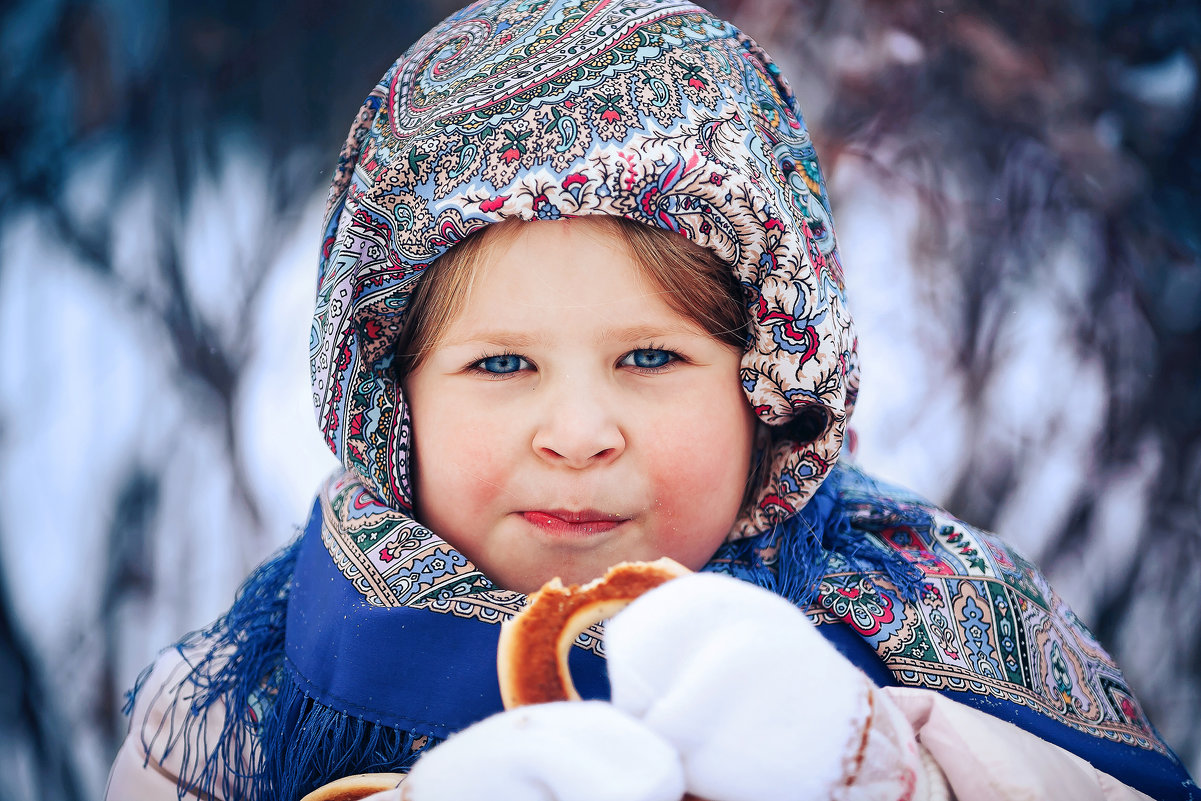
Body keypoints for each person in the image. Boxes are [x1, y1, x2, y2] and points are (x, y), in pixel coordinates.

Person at [106, 0, 1198, 798]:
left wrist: (870, 766)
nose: (579, 435)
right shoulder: (236, 707)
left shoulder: (931, 633)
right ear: (386, 399)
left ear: (774, 384)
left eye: (649, 360)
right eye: (499, 365)